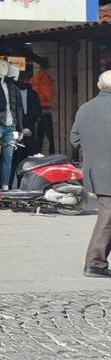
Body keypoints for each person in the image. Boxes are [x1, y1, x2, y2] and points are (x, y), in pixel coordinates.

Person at [72, 70, 111, 278]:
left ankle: (97, 262)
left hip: (96, 171)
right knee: (108, 217)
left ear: (99, 86)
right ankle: (94, 263)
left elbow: (75, 139)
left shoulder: (85, 109)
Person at [0, 59, 22, 191]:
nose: (4, 68)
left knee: (8, 157)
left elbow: (18, 109)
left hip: (11, 126)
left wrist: (19, 128)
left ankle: (5, 186)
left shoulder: (12, 86)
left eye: (5, 65)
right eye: (1, 65)